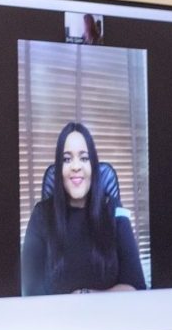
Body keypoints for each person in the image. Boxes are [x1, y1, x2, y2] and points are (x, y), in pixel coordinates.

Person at [21, 122, 146, 296]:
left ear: (93, 166)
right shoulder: (41, 215)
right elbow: (30, 293)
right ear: (59, 169)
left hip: (110, 319)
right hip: (56, 321)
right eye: (66, 159)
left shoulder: (115, 210)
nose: (76, 166)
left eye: (84, 158)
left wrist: (84, 295)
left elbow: (137, 286)